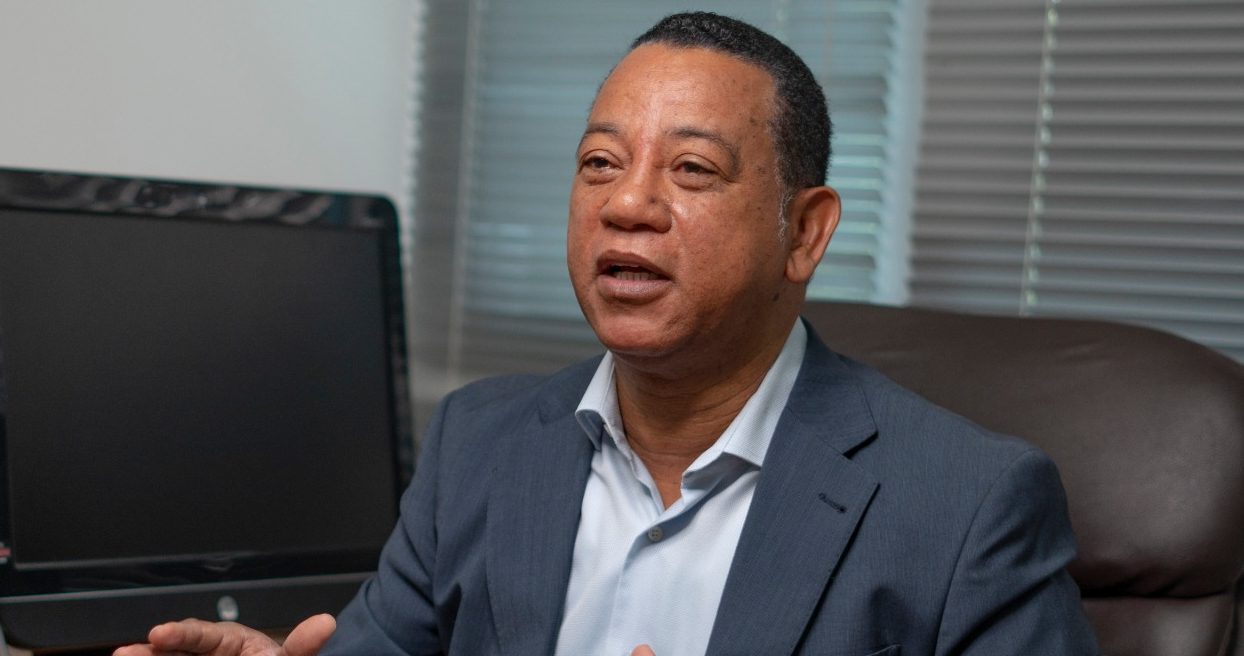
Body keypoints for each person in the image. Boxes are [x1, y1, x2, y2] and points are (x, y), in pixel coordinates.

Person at [116, 12, 1100, 656]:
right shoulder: (479, 443)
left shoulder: (967, 505)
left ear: (803, 232)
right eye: (599, 162)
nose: (626, 203)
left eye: (692, 170)